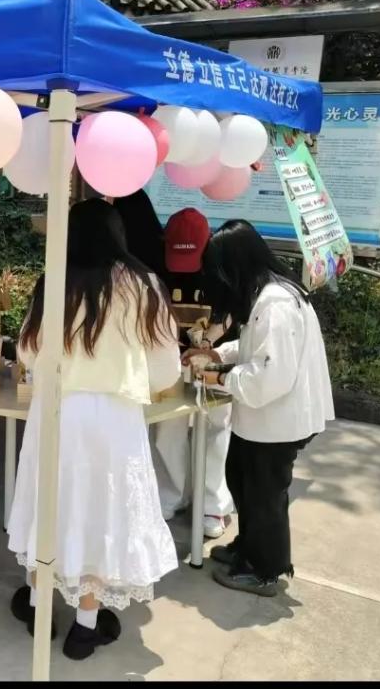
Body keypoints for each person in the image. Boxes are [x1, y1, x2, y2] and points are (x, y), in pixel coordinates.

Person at [7, 198, 181, 661]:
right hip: (114, 417)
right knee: (101, 513)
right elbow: (166, 369)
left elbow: (27, 352)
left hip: (57, 411)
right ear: (117, 235)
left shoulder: (53, 281)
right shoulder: (144, 285)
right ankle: (85, 627)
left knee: (49, 505)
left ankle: (38, 606)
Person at [185, 220, 333, 598]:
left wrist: (216, 376)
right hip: (264, 420)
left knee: (264, 494)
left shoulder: (276, 305)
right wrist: (218, 354)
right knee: (241, 478)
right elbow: (254, 348)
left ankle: (265, 568)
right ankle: (249, 548)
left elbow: (269, 377)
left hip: (279, 420)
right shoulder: (266, 295)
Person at [150, 208, 235, 538]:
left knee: (216, 428)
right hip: (171, 361)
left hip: (216, 359)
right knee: (166, 429)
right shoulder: (156, 269)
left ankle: (212, 504)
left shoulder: (222, 268)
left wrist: (208, 343)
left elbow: (232, 314)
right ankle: (173, 494)